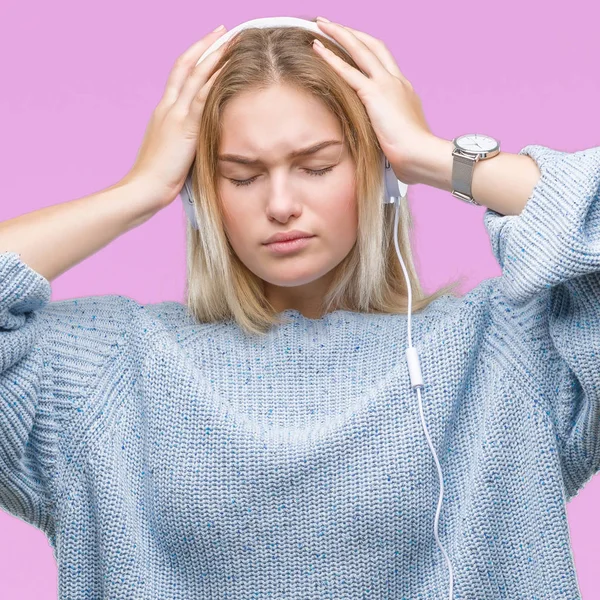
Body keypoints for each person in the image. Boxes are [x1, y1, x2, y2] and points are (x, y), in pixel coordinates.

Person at [1, 16, 599, 600]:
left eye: (317, 166)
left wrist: (436, 157)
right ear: (197, 189)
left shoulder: (508, 353)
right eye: (241, 176)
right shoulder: (105, 369)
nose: (281, 203)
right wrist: (136, 192)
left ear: (380, 172)